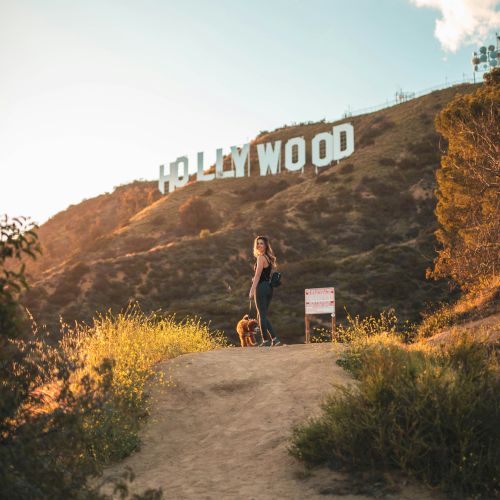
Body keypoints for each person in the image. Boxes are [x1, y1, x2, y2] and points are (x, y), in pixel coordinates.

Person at [248, 235, 281, 347]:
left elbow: (257, 276)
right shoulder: (268, 257)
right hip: (268, 288)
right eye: (257, 243)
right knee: (262, 315)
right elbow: (263, 275)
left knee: (261, 315)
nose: (259, 245)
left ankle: (265, 341)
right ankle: (275, 339)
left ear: (266, 245)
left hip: (261, 288)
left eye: (261, 243)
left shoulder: (261, 257)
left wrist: (252, 289)